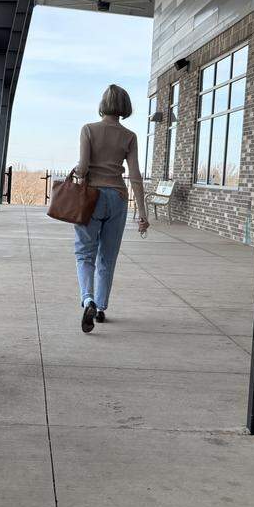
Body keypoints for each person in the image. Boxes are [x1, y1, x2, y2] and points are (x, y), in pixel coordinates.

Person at [73, 84, 148, 333]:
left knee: (85, 254)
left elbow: (83, 168)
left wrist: (80, 170)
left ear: (103, 104)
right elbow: (135, 175)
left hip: (91, 197)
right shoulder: (129, 136)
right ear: (125, 106)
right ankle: (102, 307)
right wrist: (143, 215)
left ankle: (88, 300)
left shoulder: (89, 130)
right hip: (117, 197)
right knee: (108, 256)